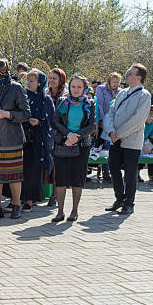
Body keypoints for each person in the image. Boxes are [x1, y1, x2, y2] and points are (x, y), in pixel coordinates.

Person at [104, 64, 151, 215]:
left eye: (130, 73)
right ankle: (119, 198)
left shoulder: (144, 95)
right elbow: (111, 113)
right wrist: (111, 130)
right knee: (113, 168)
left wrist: (120, 133)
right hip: (115, 139)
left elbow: (137, 120)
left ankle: (129, 203)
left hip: (131, 141)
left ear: (139, 78)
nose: (126, 75)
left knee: (130, 173)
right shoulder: (122, 93)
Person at [0, 58, 31, 218]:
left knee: (14, 176)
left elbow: (26, 114)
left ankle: (16, 205)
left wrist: (8, 114)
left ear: (2, 71)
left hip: (12, 139)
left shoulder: (16, 88)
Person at [51, 75, 97, 222]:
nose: (76, 90)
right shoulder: (61, 102)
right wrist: (69, 135)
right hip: (63, 143)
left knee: (78, 178)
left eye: (79, 87)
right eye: (73, 87)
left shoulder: (90, 103)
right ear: (69, 87)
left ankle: (74, 210)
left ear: (84, 88)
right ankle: (60, 212)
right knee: (61, 178)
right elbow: (56, 121)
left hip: (82, 144)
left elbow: (92, 125)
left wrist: (77, 137)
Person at [22, 69, 55, 212]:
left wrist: (39, 122)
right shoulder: (24, 96)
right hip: (24, 138)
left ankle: (30, 200)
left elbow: (52, 121)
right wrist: (27, 121)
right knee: (23, 169)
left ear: (40, 83)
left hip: (39, 140)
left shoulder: (45, 99)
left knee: (34, 170)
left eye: (32, 81)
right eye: (28, 81)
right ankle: (19, 198)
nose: (29, 84)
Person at [45, 67, 68, 206]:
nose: (51, 81)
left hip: (60, 134)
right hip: (47, 133)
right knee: (48, 163)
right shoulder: (45, 93)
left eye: (54, 78)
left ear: (61, 80)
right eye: (50, 78)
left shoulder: (65, 95)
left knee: (58, 165)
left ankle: (55, 194)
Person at [95, 72, 121, 181]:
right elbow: (99, 104)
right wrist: (101, 119)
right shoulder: (101, 89)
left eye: (118, 83)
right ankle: (105, 172)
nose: (116, 85)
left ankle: (112, 171)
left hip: (115, 122)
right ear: (109, 81)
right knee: (104, 147)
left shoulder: (120, 92)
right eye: (114, 82)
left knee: (113, 147)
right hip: (103, 121)